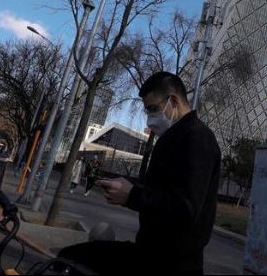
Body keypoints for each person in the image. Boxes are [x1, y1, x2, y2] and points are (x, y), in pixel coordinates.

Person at [57, 72, 221, 275]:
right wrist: (126, 191)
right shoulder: (174, 137)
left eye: (153, 109)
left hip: (172, 264)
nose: (150, 120)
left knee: (69, 260)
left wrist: (132, 195)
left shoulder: (198, 138)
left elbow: (185, 209)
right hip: (150, 253)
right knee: (69, 258)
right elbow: (162, 192)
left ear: (174, 101)